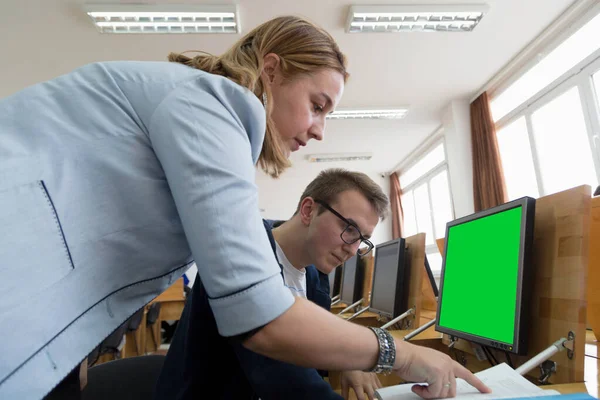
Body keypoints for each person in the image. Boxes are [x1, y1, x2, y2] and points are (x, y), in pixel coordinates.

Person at [0, 15, 490, 400]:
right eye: (317, 105)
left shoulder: (194, 107)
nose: (320, 129)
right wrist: (398, 355)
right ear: (271, 70)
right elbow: (259, 317)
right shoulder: (214, 103)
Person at [156, 168, 388, 400]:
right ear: (308, 211)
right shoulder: (242, 258)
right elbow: (284, 378)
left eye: (362, 239)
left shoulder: (314, 277)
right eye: (349, 229)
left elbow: (309, 349)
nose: (352, 249)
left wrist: (346, 358)